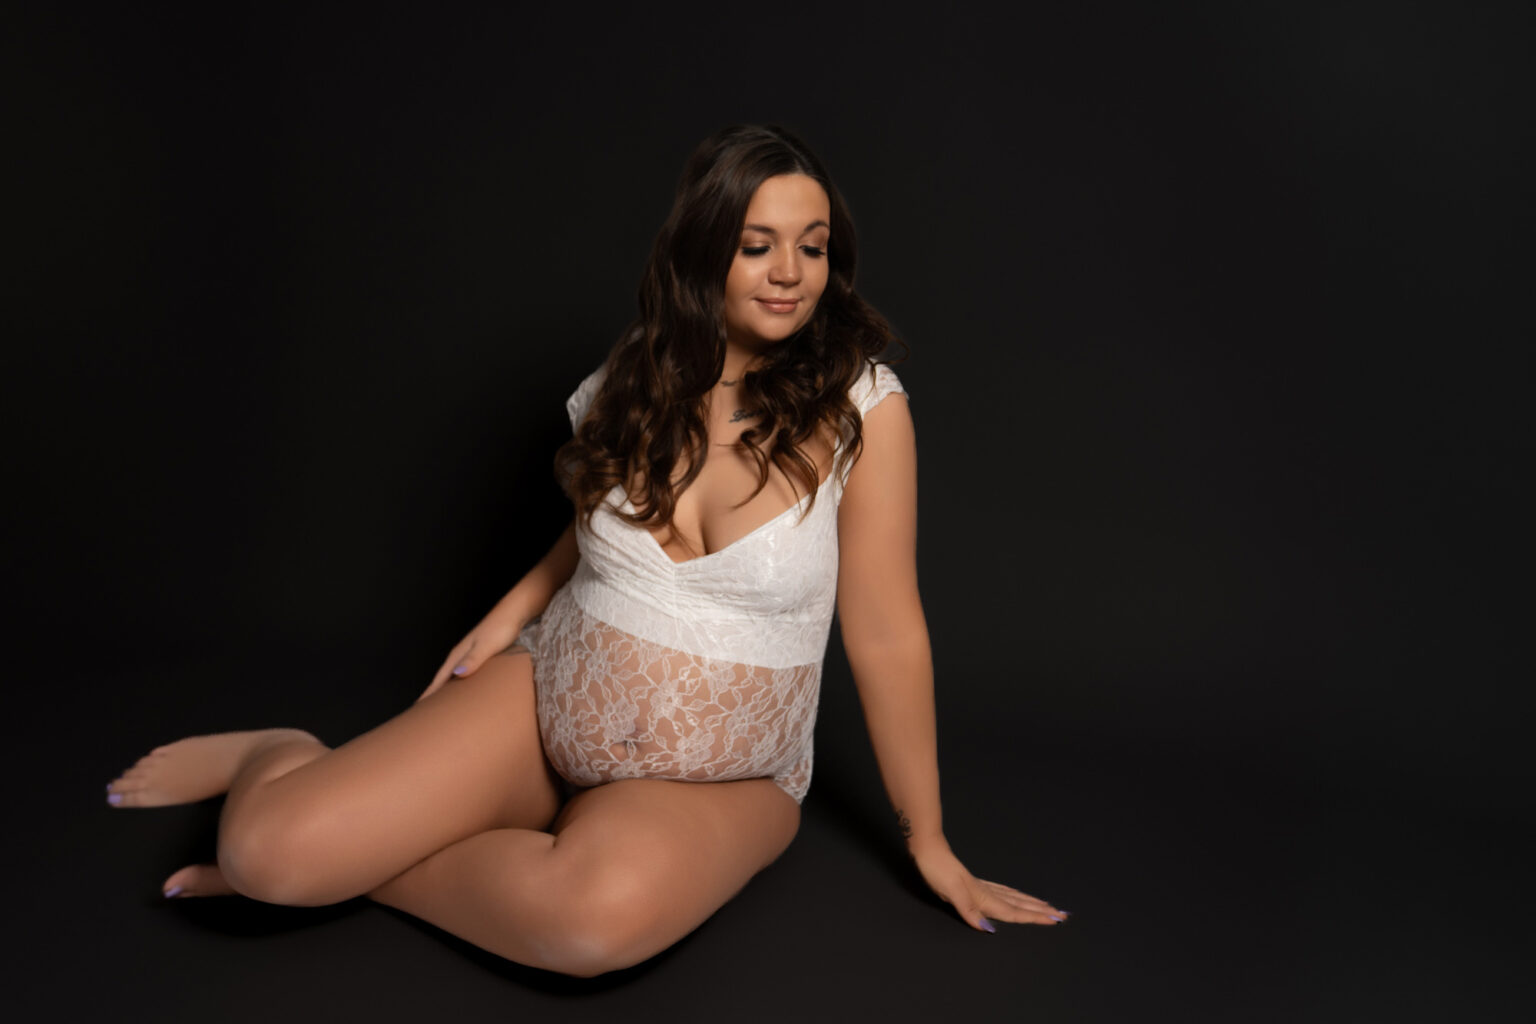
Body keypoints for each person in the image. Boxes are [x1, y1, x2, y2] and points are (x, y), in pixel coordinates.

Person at [106, 124, 1068, 978]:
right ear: (703, 254)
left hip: (722, 775)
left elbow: (889, 634)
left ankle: (344, 875)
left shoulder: (866, 408)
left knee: (589, 926)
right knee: (269, 853)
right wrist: (509, 614)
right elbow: (594, 534)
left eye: (812, 248)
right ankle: (280, 757)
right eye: (757, 245)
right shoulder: (639, 372)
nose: (790, 272)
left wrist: (931, 843)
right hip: (552, 689)